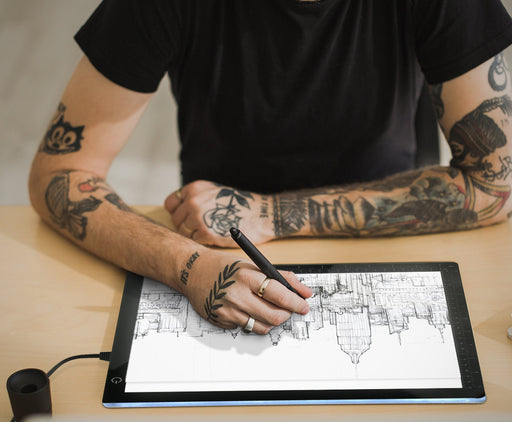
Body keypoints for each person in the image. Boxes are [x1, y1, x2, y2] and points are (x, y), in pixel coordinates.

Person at [29, 0, 512, 333]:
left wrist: (272, 214)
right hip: (217, 249)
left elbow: (495, 188)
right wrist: (187, 265)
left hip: (386, 250)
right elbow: (60, 173)